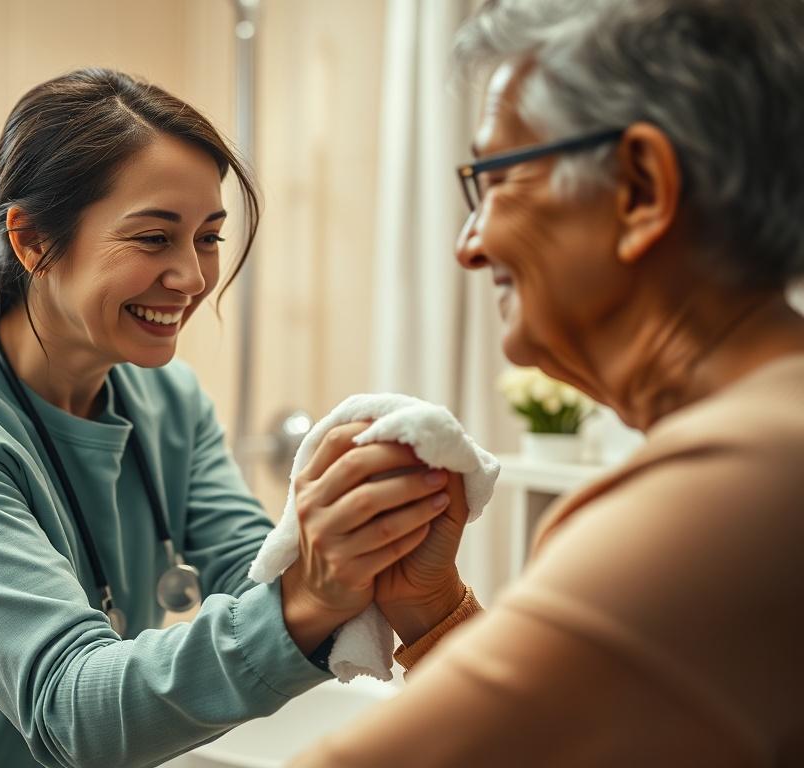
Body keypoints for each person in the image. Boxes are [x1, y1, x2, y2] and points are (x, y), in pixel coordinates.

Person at [0, 68, 467, 768]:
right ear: (31, 242)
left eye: (208, 237)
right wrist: (310, 595)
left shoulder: (171, 402)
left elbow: (255, 572)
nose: (191, 276)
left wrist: (370, 530)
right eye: (153, 239)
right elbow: (70, 710)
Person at [293, 0, 804, 765]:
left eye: (494, 180)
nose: (468, 245)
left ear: (639, 188)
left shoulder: (745, 478)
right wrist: (433, 614)